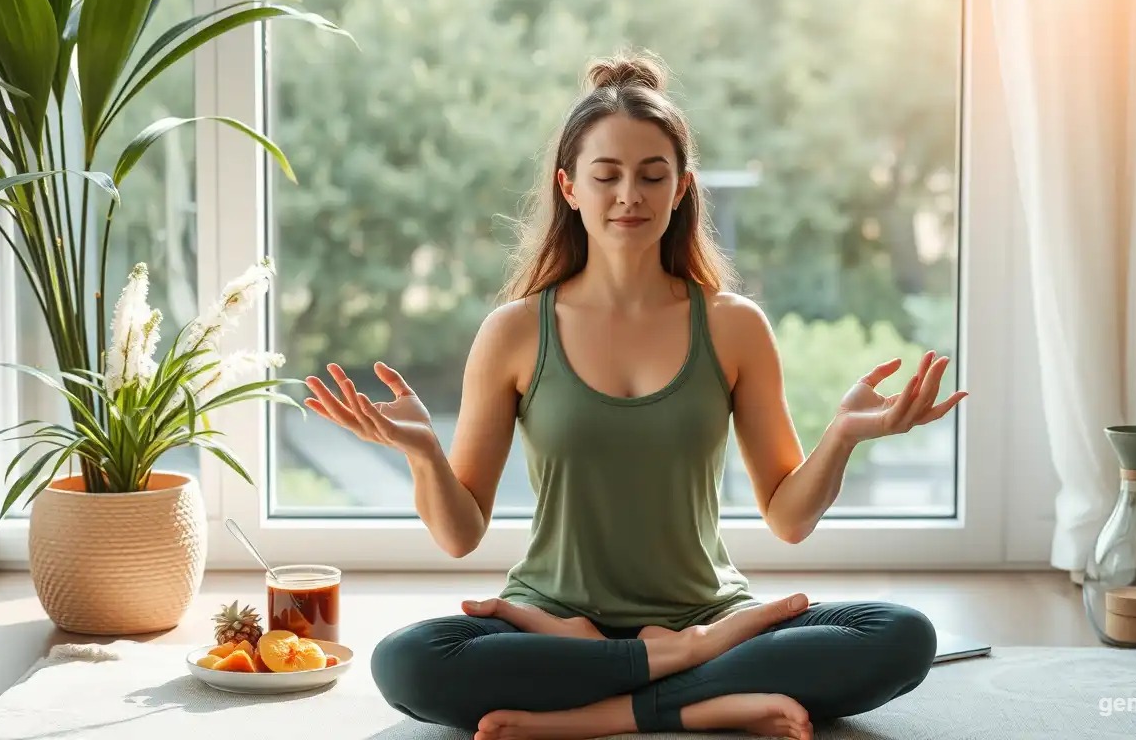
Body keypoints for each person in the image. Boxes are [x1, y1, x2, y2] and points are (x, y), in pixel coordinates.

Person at [304, 49, 967, 740]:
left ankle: (608, 708)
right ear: (568, 187)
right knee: (407, 662)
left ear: (682, 189)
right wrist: (422, 455)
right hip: (554, 624)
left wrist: (843, 436)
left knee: (900, 634)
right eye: (607, 176)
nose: (630, 195)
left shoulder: (733, 326)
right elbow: (460, 534)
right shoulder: (514, 332)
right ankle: (691, 680)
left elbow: (789, 519)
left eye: (653, 176)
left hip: (709, 617)